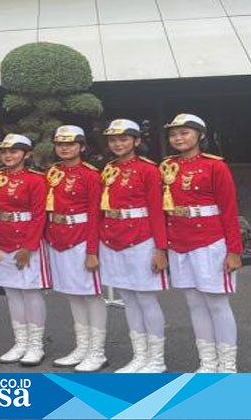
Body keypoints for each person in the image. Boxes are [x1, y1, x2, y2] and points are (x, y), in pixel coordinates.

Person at [161, 113, 243, 373]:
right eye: (174, 134)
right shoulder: (166, 167)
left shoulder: (215, 166)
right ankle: (207, 363)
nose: (178, 138)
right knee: (194, 303)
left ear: (200, 135)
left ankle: (227, 366)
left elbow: (229, 210)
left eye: (185, 132)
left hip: (210, 240)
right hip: (179, 241)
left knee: (217, 303)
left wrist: (234, 250)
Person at [99, 119, 168, 373]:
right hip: (113, 238)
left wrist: (161, 248)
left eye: (124, 139)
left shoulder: (149, 170)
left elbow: (157, 211)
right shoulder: (107, 169)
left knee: (146, 299)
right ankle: (140, 356)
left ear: (137, 141)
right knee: (128, 299)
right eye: (113, 140)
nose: (118, 144)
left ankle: (157, 359)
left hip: (141, 239)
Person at [46, 125, 107, 372]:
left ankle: (97, 351)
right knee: (72, 294)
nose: (64, 148)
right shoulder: (51, 172)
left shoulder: (91, 175)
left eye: (70, 144)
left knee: (91, 294)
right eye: (60, 144)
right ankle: (82, 347)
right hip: (58, 237)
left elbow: (96, 214)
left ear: (81, 147)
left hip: (82, 236)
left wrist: (92, 250)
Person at [0, 134, 49, 367]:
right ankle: (20, 342)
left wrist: (29, 246)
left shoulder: (35, 180)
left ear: (27, 154)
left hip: (25, 240)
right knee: (11, 292)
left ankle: (36, 345)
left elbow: (39, 215)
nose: (8, 155)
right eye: (4, 151)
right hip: (1, 239)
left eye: (14, 151)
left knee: (30, 292)